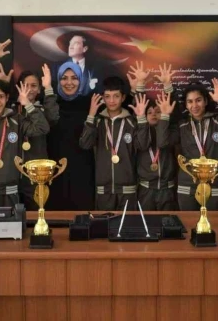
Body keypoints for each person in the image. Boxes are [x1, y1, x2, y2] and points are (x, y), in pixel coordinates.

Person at [79, 76, 150, 210]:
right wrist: (91, 115)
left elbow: (143, 145)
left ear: (123, 98)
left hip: (128, 190)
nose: (111, 101)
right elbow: (85, 144)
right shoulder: (97, 122)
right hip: (103, 190)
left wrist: (141, 119)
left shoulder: (131, 122)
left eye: (116, 96)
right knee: (104, 223)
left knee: (128, 223)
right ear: (103, 98)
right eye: (107, 96)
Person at [176, 78, 218, 211]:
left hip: (215, 183)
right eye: (190, 101)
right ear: (185, 105)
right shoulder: (182, 125)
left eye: (198, 100)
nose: (194, 105)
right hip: (188, 184)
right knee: (188, 221)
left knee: (215, 221)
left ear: (206, 101)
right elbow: (163, 141)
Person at [46, 62, 96, 210]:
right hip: (55, 169)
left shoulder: (89, 103)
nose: (69, 82)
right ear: (58, 80)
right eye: (64, 78)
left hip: (83, 168)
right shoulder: (51, 103)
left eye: (74, 78)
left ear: (81, 80)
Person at [131, 63, 180, 211]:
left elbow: (174, 110)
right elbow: (139, 106)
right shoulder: (140, 130)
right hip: (146, 190)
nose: (153, 114)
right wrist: (140, 83)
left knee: (168, 222)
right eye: (149, 112)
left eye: (158, 111)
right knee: (146, 223)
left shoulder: (171, 130)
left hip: (167, 189)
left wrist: (167, 85)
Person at [14, 65, 60, 209]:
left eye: (34, 86)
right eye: (25, 85)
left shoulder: (42, 111)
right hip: (12, 174)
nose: (29, 89)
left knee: (36, 214)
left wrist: (48, 88)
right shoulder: (11, 111)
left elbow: (53, 118)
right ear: (19, 87)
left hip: (36, 174)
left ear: (39, 89)